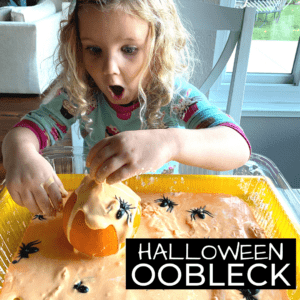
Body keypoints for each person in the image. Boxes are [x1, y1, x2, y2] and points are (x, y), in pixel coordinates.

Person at [2, 0, 251, 217]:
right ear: (78, 47)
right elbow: (26, 131)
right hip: (101, 210)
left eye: (129, 50)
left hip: (161, 209)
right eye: (94, 50)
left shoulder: (174, 96)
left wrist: (170, 143)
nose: (109, 67)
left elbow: (238, 145)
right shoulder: (82, 94)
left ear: (157, 46)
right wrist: (20, 154)